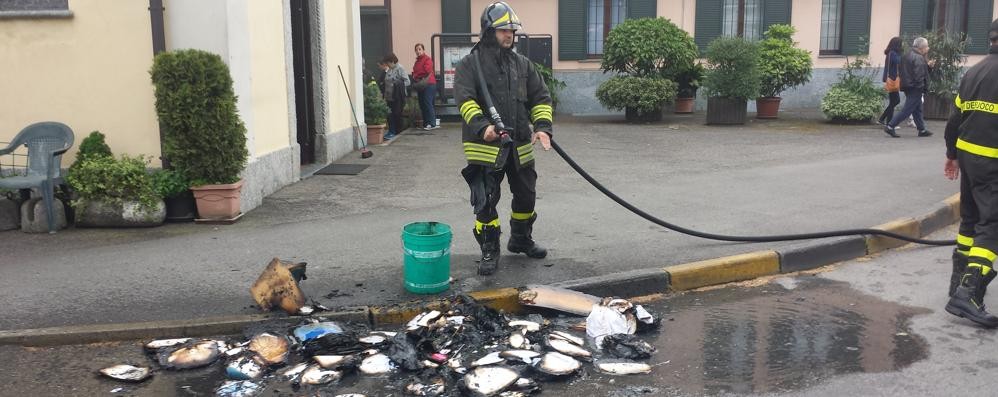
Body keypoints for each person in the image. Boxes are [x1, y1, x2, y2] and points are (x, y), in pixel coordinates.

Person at [454, 1, 554, 276]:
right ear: (488, 31)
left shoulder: (522, 65)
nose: (509, 35)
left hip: (520, 144)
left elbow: (541, 98)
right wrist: (482, 126)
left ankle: (520, 239)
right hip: (486, 147)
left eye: (512, 30)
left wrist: (543, 127)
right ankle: (489, 248)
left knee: (526, 196)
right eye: (503, 30)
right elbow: (465, 99)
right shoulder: (469, 65)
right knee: (485, 200)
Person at [943, 19, 998, 328]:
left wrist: (952, 154)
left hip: (969, 159)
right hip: (994, 165)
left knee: (970, 221)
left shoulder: (973, 72)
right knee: (992, 225)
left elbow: (955, 119)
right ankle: (968, 292)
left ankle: (956, 281)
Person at [884, 37, 934, 138]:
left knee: (917, 109)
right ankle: (890, 126)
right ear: (922, 47)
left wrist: (928, 67)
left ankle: (922, 129)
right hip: (915, 87)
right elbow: (919, 74)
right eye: (927, 46)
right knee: (907, 109)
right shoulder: (919, 57)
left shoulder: (906, 55)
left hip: (907, 85)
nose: (928, 48)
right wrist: (922, 88)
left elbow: (909, 71)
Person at [379, 53, 409, 141]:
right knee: (389, 114)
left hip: (398, 97)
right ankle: (391, 131)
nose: (386, 65)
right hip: (389, 96)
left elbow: (407, 82)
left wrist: (397, 83)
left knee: (397, 114)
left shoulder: (400, 68)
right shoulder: (389, 70)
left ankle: (398, 132)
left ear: (392, 61)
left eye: (387, 63)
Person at [412, 43, 439, 130]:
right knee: (422, 104)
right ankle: (426, 123)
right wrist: (415, 75)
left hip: (429, 84)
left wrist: (417, 75)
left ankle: (432, 123)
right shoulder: (417, 61)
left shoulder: (427, 59)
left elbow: (427, 70)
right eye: (416, 50)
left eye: (420, 49)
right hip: (421, 85)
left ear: (423, 50)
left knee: (428, 103)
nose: (418, 51)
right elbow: (414, 72)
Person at [878, 37, 903, 126]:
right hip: (892, 79)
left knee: (893, 101)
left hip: (892, 78)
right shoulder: (892, 54)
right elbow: (898, 62)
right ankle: (888, 122)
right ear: (897, 45)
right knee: (895, 101)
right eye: (901, 44)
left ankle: (884, 120)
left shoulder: (892, 53)